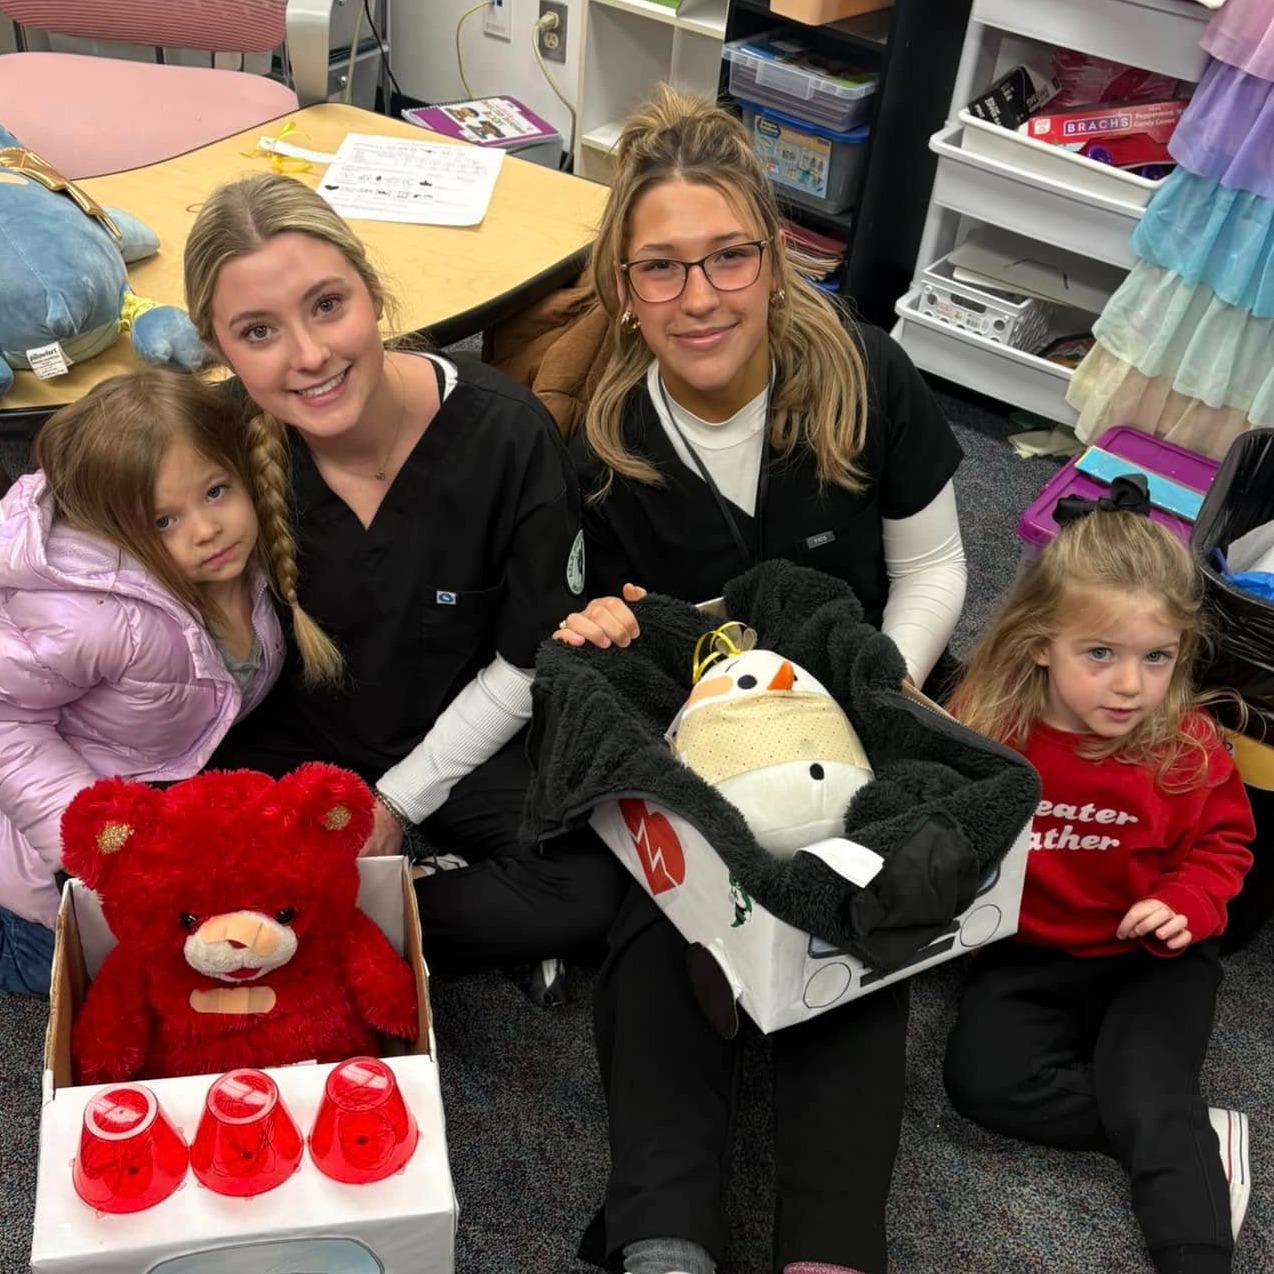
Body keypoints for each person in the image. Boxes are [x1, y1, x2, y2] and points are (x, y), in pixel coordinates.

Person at [558, 86, 968, 1274]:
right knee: (660, 903)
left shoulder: (867, 375)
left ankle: (829, 1248)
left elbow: (933, 565)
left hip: (872, 701)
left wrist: (879, 700)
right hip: (704, 746)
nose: (699, 297)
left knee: (863, 890)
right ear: (622, 287)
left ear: (774, 255)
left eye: (728, 256)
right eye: (662, 268)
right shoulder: (601, 443)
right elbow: (623, 653)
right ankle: (663, 1232)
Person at [181, 173, 625, 1001]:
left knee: (592, 888)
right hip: (300, 733)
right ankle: (363, 928)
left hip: (464, 735)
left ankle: (308, 932)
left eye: (326, 305)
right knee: (156, 854)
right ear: (219, 350)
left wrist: (397, 803)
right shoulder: (217, 454)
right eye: (257, 331)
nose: (308, 356)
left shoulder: (507, 438)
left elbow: (530, 662)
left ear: (373, 293)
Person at [943, 486, 1255, 1274]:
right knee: (982, 1086)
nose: (1130, 686)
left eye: (1157, 658)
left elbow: (1226, 845)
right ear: (1041, 643)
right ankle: (1186, 1133)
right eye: (1102, 655)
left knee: (1147, 1090)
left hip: (1152, 960)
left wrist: (1185, 902)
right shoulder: (989, 726)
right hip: (1028, 955)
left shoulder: (1185, 744)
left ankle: (1189, 1226)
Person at [0, 369, 292, 995]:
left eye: (216, 492)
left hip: (157, 792)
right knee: (93, 980)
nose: (206, 528)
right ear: (114, 531)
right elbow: (6, 724)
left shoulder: (248, 556)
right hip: (57, 863)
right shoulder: (89, 617)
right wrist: (92, 840)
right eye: (163, 521)